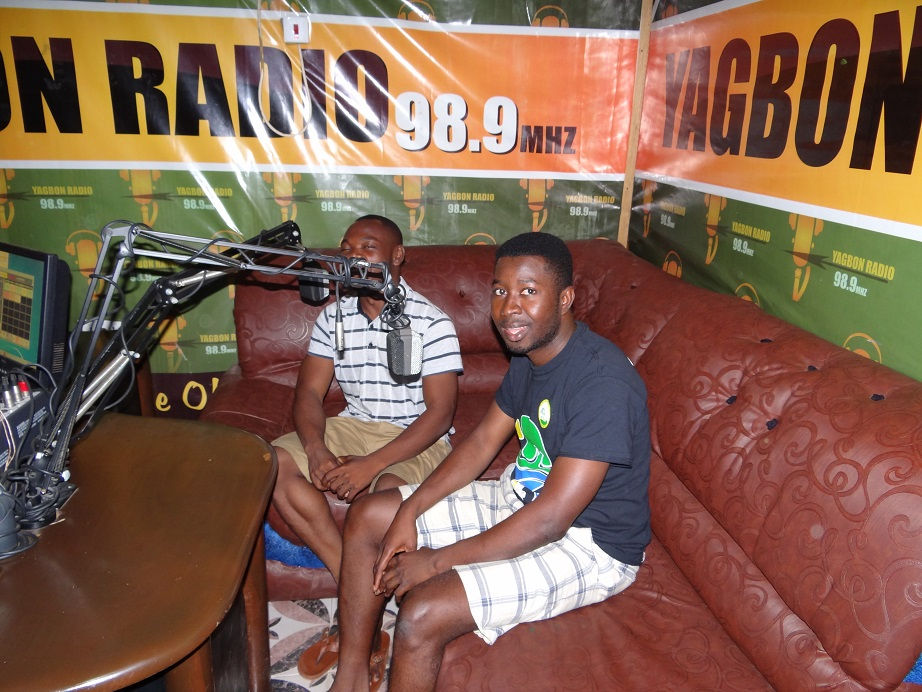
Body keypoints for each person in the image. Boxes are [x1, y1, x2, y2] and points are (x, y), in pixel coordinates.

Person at [331, 231, 651, 691]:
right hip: (522, 495)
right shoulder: (531, 353)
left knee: (422, 612)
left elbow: (551, 521)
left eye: (528, 291)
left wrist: (435, 563)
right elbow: (482, 443)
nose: (508, 308)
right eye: (500, 291)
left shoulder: (603, 384)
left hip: (589, 544)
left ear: (565, 299)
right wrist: (409, 509)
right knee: (368, 516)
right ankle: (350, 676)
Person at [269, 215, 462, 680]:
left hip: (416, 431)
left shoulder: (432, 321)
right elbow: (309, 393)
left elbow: (440, 415)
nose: (353, 256)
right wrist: (316, 448)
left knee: (384, 496)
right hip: (354, 423)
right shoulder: (332, 316)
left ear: (397, 257)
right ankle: (360, 601)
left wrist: (371, 466)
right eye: (347, 248)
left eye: (368, 247)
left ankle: (356, 619)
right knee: (272, 463)